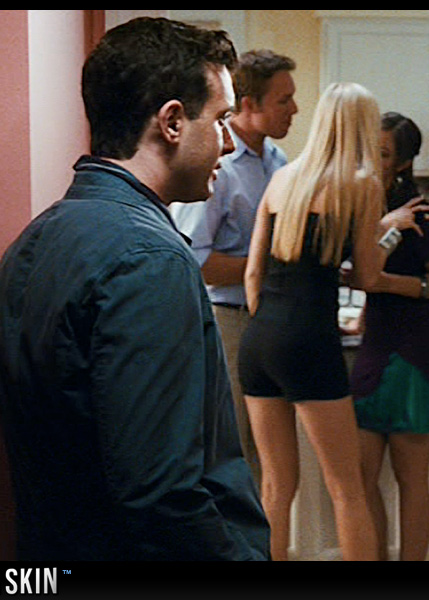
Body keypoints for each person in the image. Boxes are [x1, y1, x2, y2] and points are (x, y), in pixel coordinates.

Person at [0, 17, 270, 561]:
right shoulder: (149, 260)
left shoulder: (37, 237)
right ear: (172, 122)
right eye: (221, 119)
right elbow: (162, 493)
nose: (230, 143)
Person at [238, 82, 393, 561]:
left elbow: (253, 274)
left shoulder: (282, 178)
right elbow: (367, 276)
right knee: (347, 488)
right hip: (309, 341)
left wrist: (276, 326)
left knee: (275, 484)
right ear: (363, 128)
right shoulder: (362, 185)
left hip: (260, 340)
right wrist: (390, 236)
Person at [170, 49, 298, 486]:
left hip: (272, 320)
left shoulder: (278, 161)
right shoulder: (218, 166)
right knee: (235, 451)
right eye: (283, 100)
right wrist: (269, 268)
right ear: (248, 104)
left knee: (272, 463)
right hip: (229, 322)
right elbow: (196, 260)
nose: (295, 109)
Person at [349, 113, 429, 561]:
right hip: (375, 349)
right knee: (359, 479)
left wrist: (384, 284)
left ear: (403, 162)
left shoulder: (417, 213)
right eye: (367, 148)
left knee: (411, 479)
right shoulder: (366, 207)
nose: (371, 160)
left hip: (416, 353)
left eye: (383, 153)